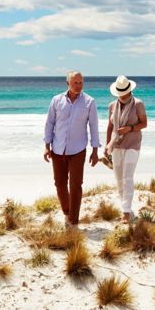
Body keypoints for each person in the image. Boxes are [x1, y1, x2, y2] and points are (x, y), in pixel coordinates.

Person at [43, 71, 100, 226]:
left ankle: (73, 220)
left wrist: (95, 151)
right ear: (67, 83)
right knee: (59, 184)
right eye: (75, 82)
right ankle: (67, 212)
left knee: (75, 185)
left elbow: (94, 126)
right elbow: (50, 124)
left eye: (81, 82)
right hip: (58, 149)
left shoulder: (89, 102)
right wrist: (47, 146)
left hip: (78, 150)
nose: (78, 86)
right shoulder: (56, 100)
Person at [104, 75, 147, 223]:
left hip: (133, 145)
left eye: (124, 92)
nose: (122, 95)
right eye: (120, 92)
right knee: (119, 179)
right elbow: (110, 127)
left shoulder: (138, 104)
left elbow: (144, 124)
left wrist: (129, 129)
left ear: (129, 90)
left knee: (127, 178)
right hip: (116, 145)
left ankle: (126, 212)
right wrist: (107, 144)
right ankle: (126, 208)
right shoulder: (112, 106)